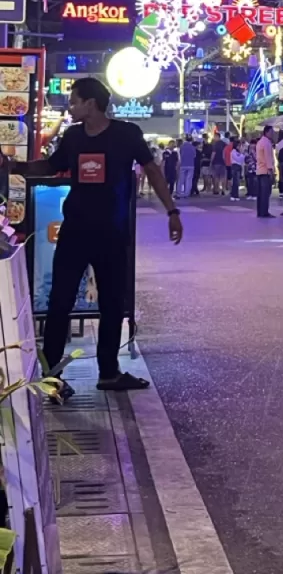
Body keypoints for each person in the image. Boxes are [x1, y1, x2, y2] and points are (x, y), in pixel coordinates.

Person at [15, 77, 182, 394]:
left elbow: (154, 171)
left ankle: (109, 372)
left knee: (112, 304)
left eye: (74, 101)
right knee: (60, 302)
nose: (70, 107)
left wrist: (172, 212)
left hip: (111, 234)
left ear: (90, 104)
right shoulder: (73, 136)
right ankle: (52, 377)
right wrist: (13, 166)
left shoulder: (127, 134)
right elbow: (50, 166)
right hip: (75, 232)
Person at [256, 125, 275, 217]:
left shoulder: (260, 142)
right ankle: (264, 212)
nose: (273, 134)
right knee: (265, 193)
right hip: (265, 171)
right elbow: (268, 158)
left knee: (261, 193)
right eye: (271, 132)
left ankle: (260, 211)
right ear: (267, 132)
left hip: (260, 170)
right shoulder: (267, 143)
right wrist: (271, 170)